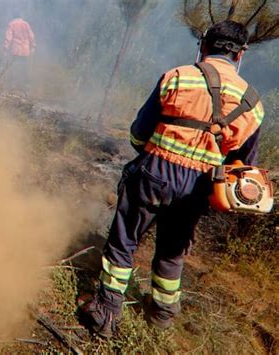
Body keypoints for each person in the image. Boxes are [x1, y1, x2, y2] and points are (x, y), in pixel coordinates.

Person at [80, 20, 264, 338]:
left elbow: (139, 132)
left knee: (124, 241)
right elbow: (244, 167)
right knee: (172, 250)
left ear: (204, 45)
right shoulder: (253, 103)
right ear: (240, 53)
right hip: (200, 186)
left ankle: (106, 313)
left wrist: (147, 153)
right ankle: (162, 318)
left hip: (156, 173)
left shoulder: (178, 76)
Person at [4, 14, 36, 92]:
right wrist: (33, 47)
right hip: (25, 50)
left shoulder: (12, 24)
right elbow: (31, 36)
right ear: (21, 17)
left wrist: (5, 48)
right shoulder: (26, 24)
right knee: (25, 68)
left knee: (14, 67)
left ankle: (13, 86)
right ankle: (26, 87)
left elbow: (8, 37)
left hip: (16, 50)